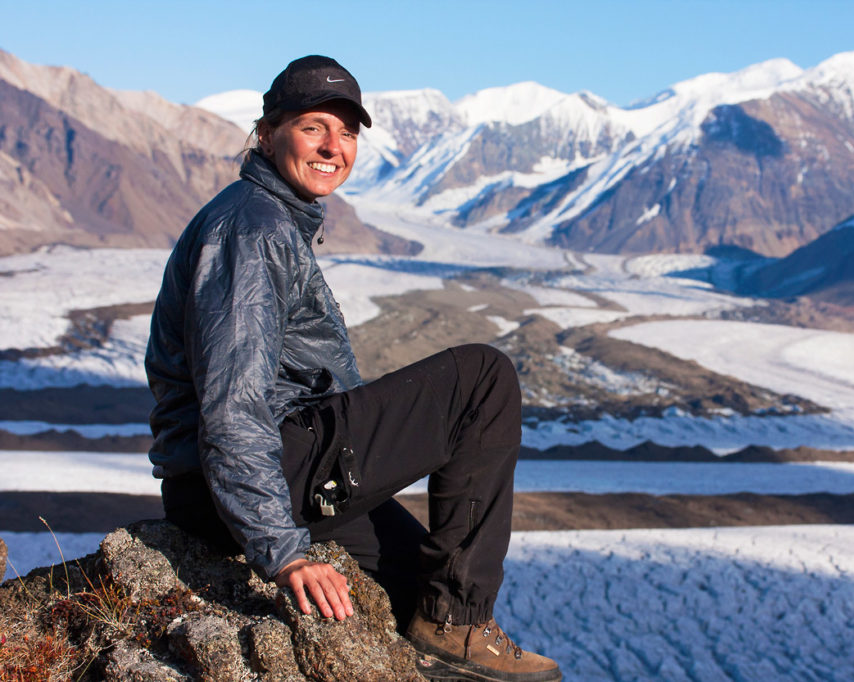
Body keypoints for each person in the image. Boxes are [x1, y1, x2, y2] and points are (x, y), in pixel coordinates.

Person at [145, 55, 561, 682]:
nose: (334, 147)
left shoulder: (272, 220)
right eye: (314, 127)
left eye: (347, 132)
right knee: (482, 379)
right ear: (266, 134)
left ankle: (440, 626)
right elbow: (234, 405)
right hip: (238, 480)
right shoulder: (253, 230)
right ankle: (459, 625)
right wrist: (283, 553)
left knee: (419, 582)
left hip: (267, 473)